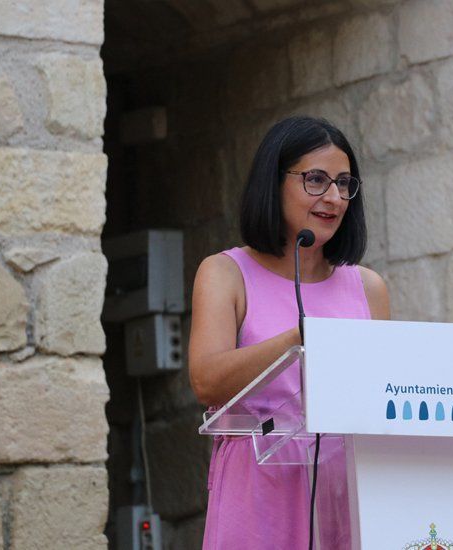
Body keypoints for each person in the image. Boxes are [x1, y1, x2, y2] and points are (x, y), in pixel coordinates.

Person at [189, 116, 390, 549]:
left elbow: (382, 398)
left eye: (344, 183)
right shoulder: (226, 273)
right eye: (316, 180)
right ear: (273, 182)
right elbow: (205, 380)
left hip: (346, 486)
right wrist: (296, 339)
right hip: (258, 485)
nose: (334, 197)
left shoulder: (368, 287)